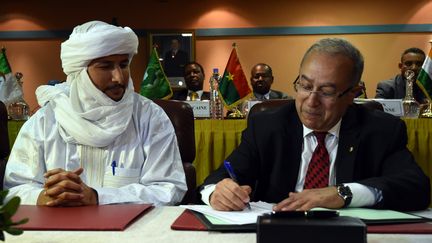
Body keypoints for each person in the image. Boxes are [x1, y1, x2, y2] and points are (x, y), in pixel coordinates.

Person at [200, 38, 430, 212]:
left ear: (353, 94)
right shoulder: (267, 126)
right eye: (305, 85)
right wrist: (217, 192)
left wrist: (343, 193)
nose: (311, 101)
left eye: (327, 92)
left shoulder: (381, 130)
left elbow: (416, 187)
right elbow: (220, 176)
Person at [4, 21, 187, 206]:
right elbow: (14, 190)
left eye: (123, 65)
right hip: (59, 231)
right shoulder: (46, 120)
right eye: (105, 66)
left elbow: (168, 188)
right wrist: (43, 197)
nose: (118, 77)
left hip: (132, 232)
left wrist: (97, 197)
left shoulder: (150, 117)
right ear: (80, 72)